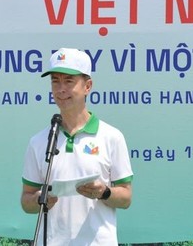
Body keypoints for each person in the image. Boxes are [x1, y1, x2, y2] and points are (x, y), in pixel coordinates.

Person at [21, 47, 133, 245]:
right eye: (55, 81)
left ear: (87, 86)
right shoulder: (39, 141)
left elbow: (125, 198)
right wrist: (40, 199)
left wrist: (104, 192)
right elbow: (26, 202)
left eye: (68, 81)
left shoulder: (111, 137)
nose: (60, 89)